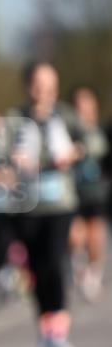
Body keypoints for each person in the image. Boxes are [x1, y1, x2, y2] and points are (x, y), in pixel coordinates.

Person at [9, 62, 83, 347]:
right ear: (28, 85)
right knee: (36, 269)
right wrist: (13, 157)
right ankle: (45, 333)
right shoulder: (16, 118)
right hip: (27, 205)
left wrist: (74, 152)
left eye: (48, 83)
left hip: (60, 203)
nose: (42, 89)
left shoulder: (66, 115)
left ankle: (59, 333)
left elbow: (94, 142)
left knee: (54, 262)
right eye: (37, 83)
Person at [68, 85, 109, 302]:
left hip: (97, 192)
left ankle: (94, 270)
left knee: (95, 232)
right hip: (74, 190)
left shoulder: (101, 130)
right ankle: (79, 264)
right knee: (75, 234)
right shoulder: (69, 130)